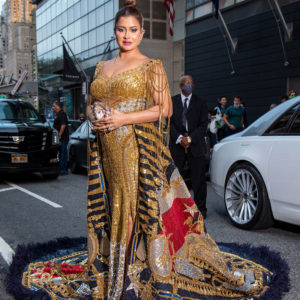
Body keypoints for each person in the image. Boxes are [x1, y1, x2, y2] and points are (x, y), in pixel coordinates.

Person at [17, 1, 274, 299]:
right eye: (122, 29)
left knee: (127, 207)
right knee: (111, 206)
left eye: (133, 30)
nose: (127, 35)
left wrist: (123, 118)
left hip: (133, 147)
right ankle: (115, 263)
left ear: (142, 32)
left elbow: (163, 109)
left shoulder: (151, 66)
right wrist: (92, 114)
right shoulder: (102, 67)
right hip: (105, 150)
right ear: (115, 32)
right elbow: (90, 104)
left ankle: (121, 276)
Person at [169, 75, 208, 218]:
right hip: (177, 146)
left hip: (195, 145)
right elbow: (169, 123)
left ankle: (201, 210)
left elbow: (204, 125)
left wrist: (190, 138)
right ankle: (176, 210)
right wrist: (179, 138)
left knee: (198, 179)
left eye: (191, 83)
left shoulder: (201, 102)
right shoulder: (172, 101)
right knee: (175, 179)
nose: (189, 85)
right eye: (186, 83)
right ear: (180, 86)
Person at [52, 101, 69, 175]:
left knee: (63, 152)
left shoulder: (62, 114)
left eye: (54, 106)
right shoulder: (57, 114)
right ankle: (61, 167)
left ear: (58, 106)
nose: (53, 108)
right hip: (59, 137)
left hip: (63, 137)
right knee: (60, 152)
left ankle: (64, 169)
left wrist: (59, 135)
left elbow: (63, 125)